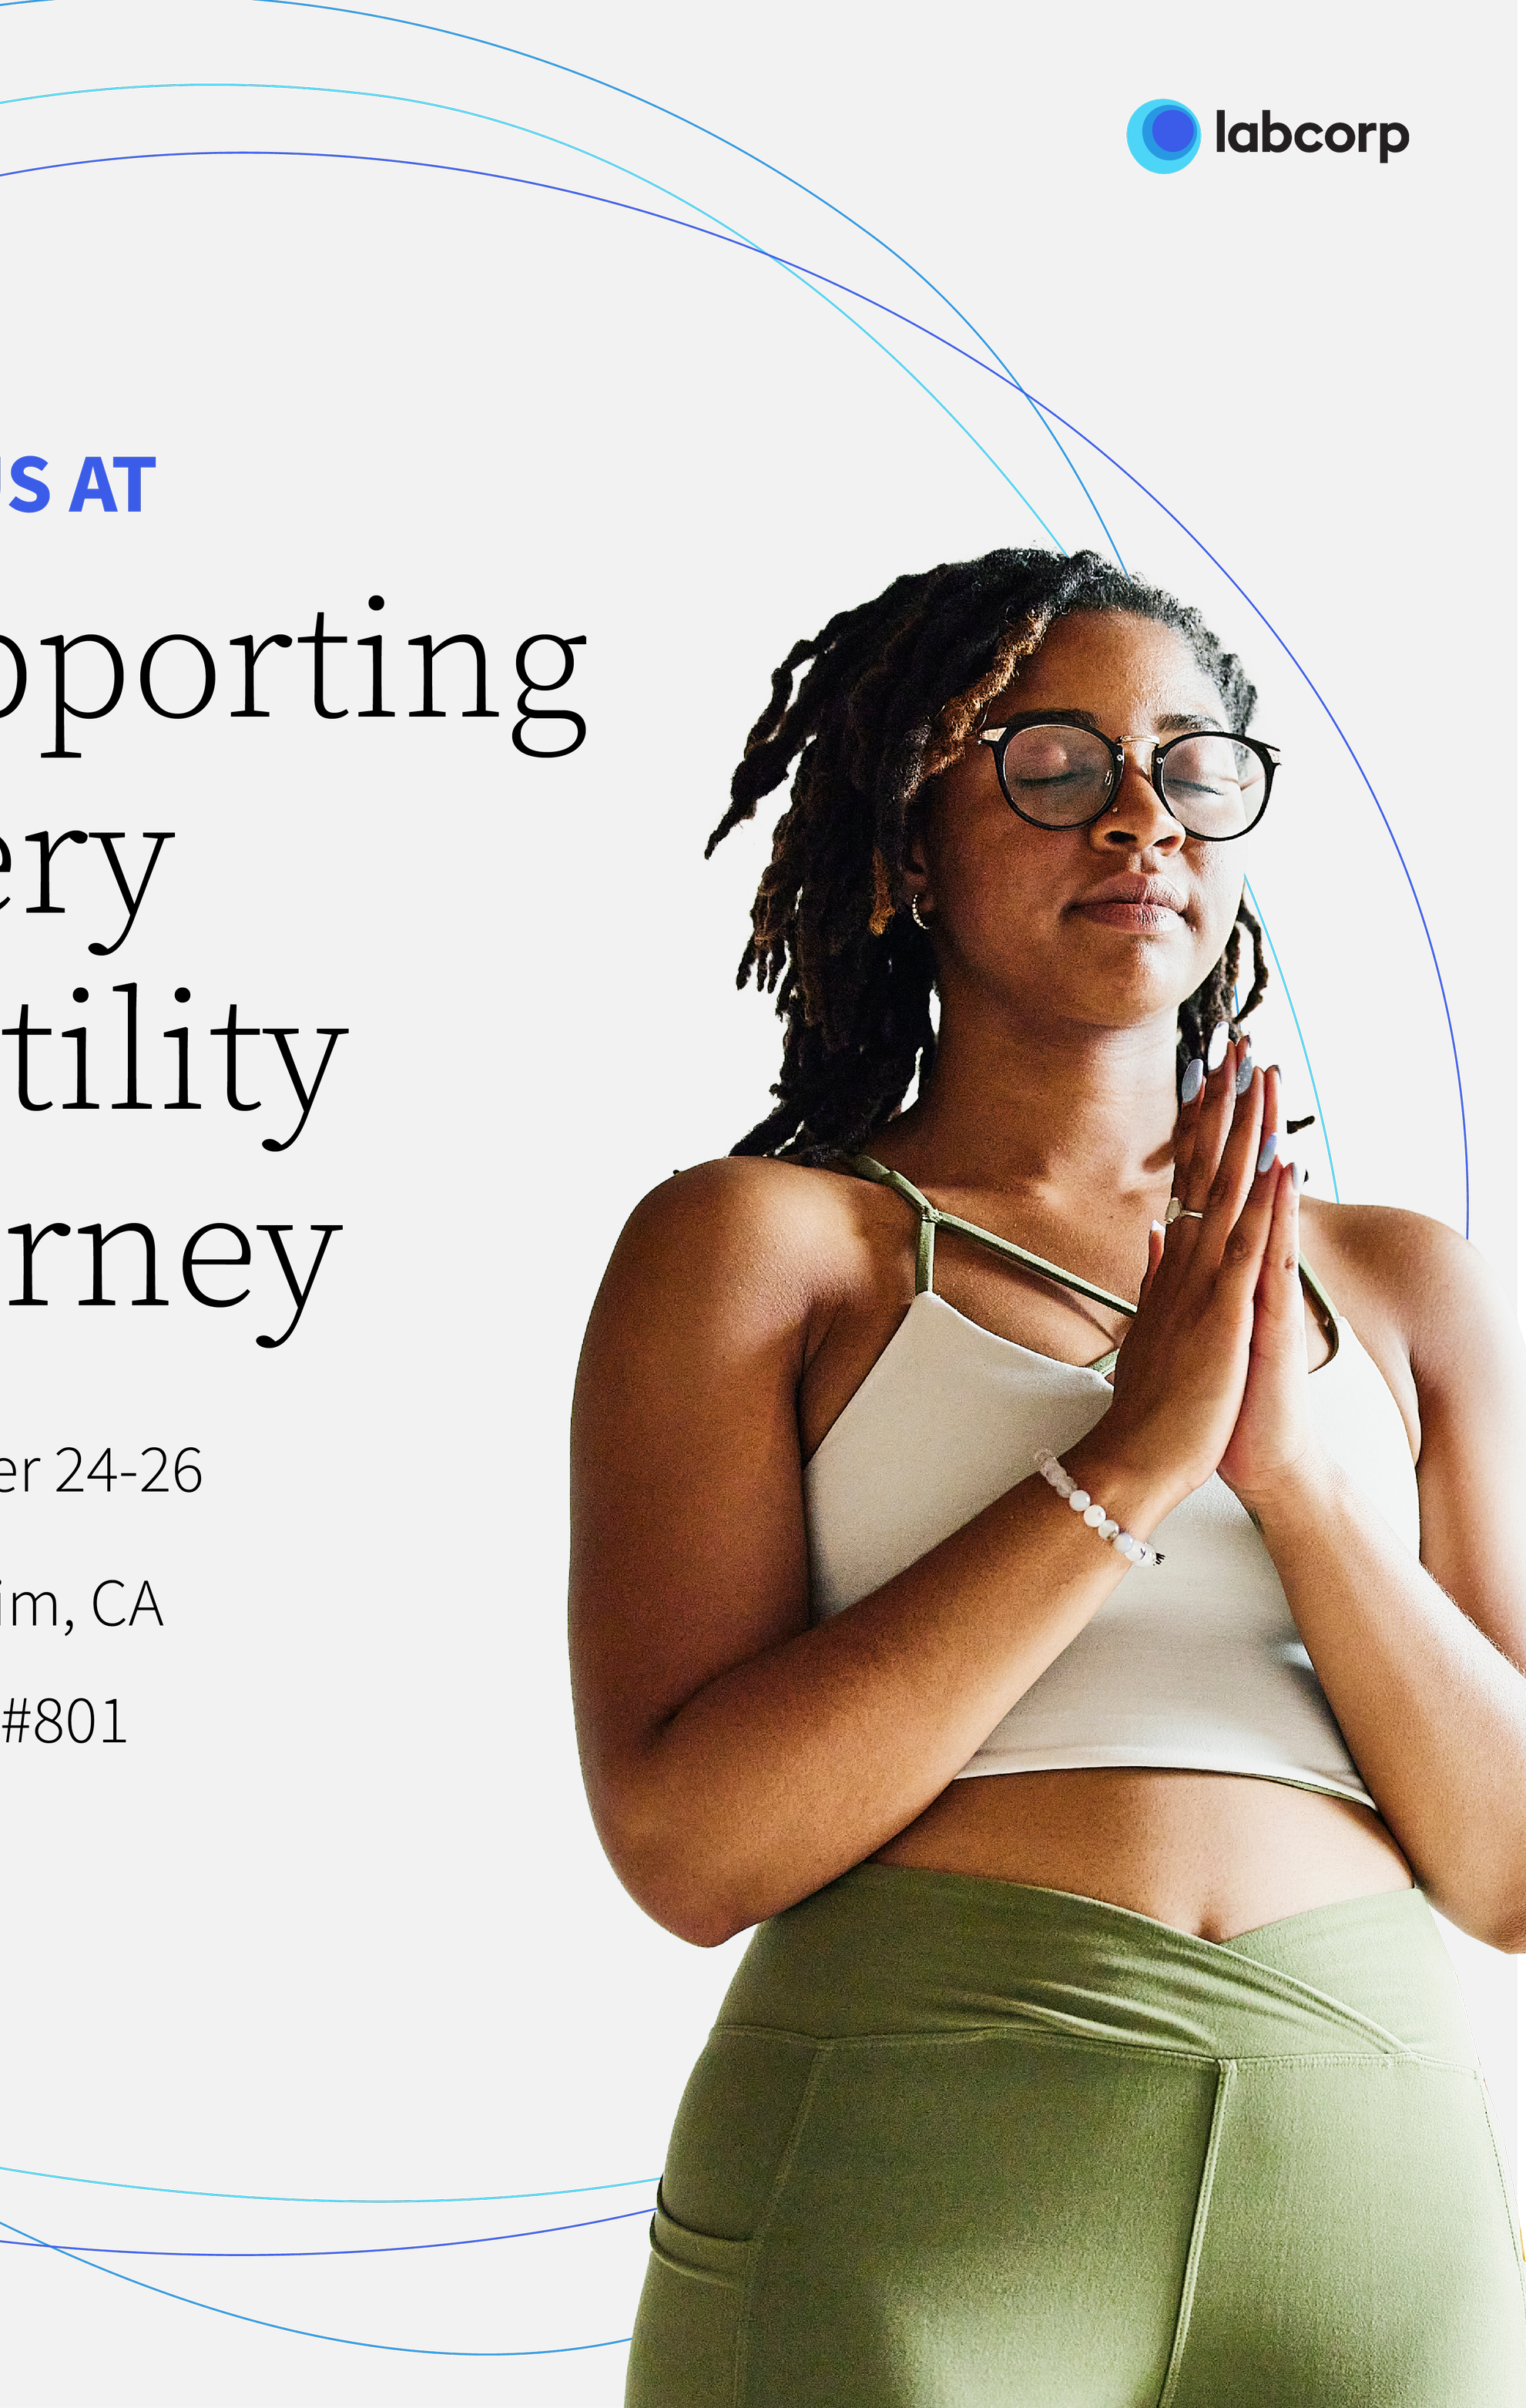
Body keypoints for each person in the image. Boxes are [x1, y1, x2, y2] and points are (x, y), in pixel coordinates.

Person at [566, 539, 1526, 2405]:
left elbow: (1511, 1872)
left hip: (1374, 2163)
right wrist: (1131, 1456)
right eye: (1051, 762)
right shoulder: (763, 1248)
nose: (1135, 821)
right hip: (911, 2152)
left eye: (1188, 768)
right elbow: (690, 1850)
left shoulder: (1415, 1289)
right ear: (905, 845)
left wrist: (1302, 1489)